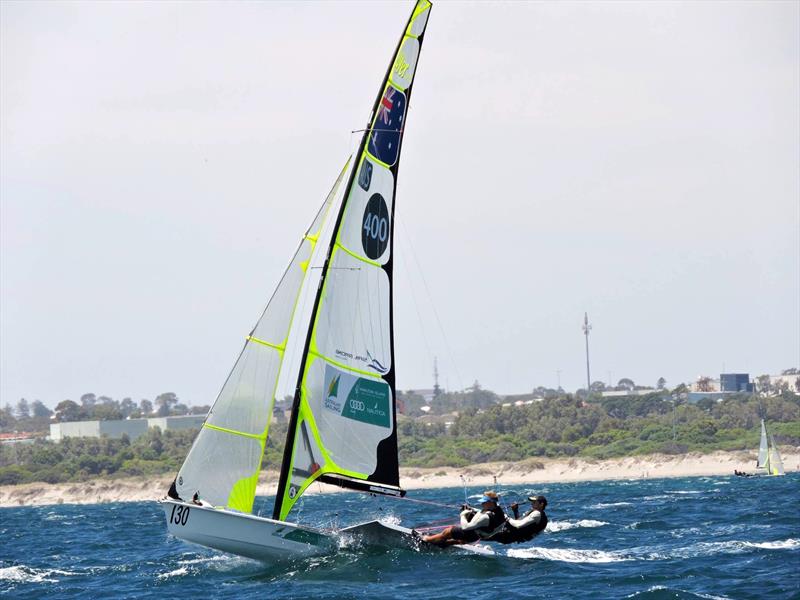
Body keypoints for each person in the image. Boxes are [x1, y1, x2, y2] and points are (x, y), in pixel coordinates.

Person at [422, 491, 507, 545]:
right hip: (480, 535)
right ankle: (444, 543)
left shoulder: (486, 517)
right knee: (457, 538)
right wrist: (471, 509)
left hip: (473, 536)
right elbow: (483, 512)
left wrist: (463, 515)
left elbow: (465, 527)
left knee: (449, 531)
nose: (482, 504)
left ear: (490, 503)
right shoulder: (499, 511)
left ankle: (426, 539)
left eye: (484, 502)